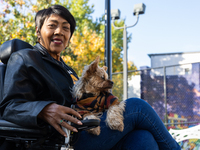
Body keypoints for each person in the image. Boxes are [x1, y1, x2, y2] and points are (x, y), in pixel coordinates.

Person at [0, 5, 181, 150]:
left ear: (69, 37)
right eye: (52, 25)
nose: (59, 31)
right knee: (138, 107)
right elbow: (9, 107)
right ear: (38, 32)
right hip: (61, 137)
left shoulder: (66, 69)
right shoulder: (24, 58)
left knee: (143, 139)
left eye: (66, 28)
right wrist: (43, 109)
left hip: (87, 128)